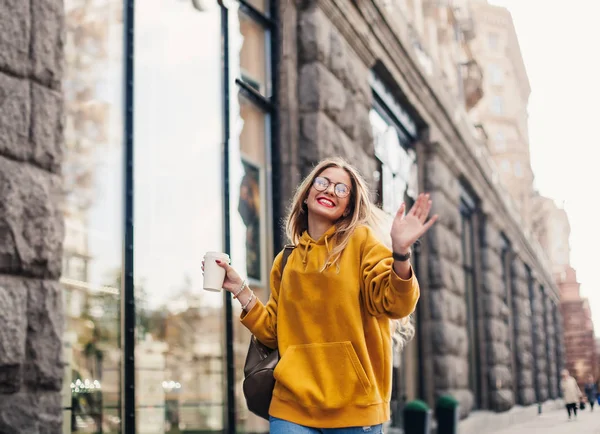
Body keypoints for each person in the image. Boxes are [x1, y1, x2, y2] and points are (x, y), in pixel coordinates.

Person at [209, 158, 438, 432]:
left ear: (348, 208)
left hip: (354, 408)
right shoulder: (286, 260)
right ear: (307, 195)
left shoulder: (362, 242)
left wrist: (400, 254)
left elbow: (396, 303)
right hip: (291, 404)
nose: (330, 190)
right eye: (322, 183)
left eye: (341, 189)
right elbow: (272, 332)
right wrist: (239, 289)